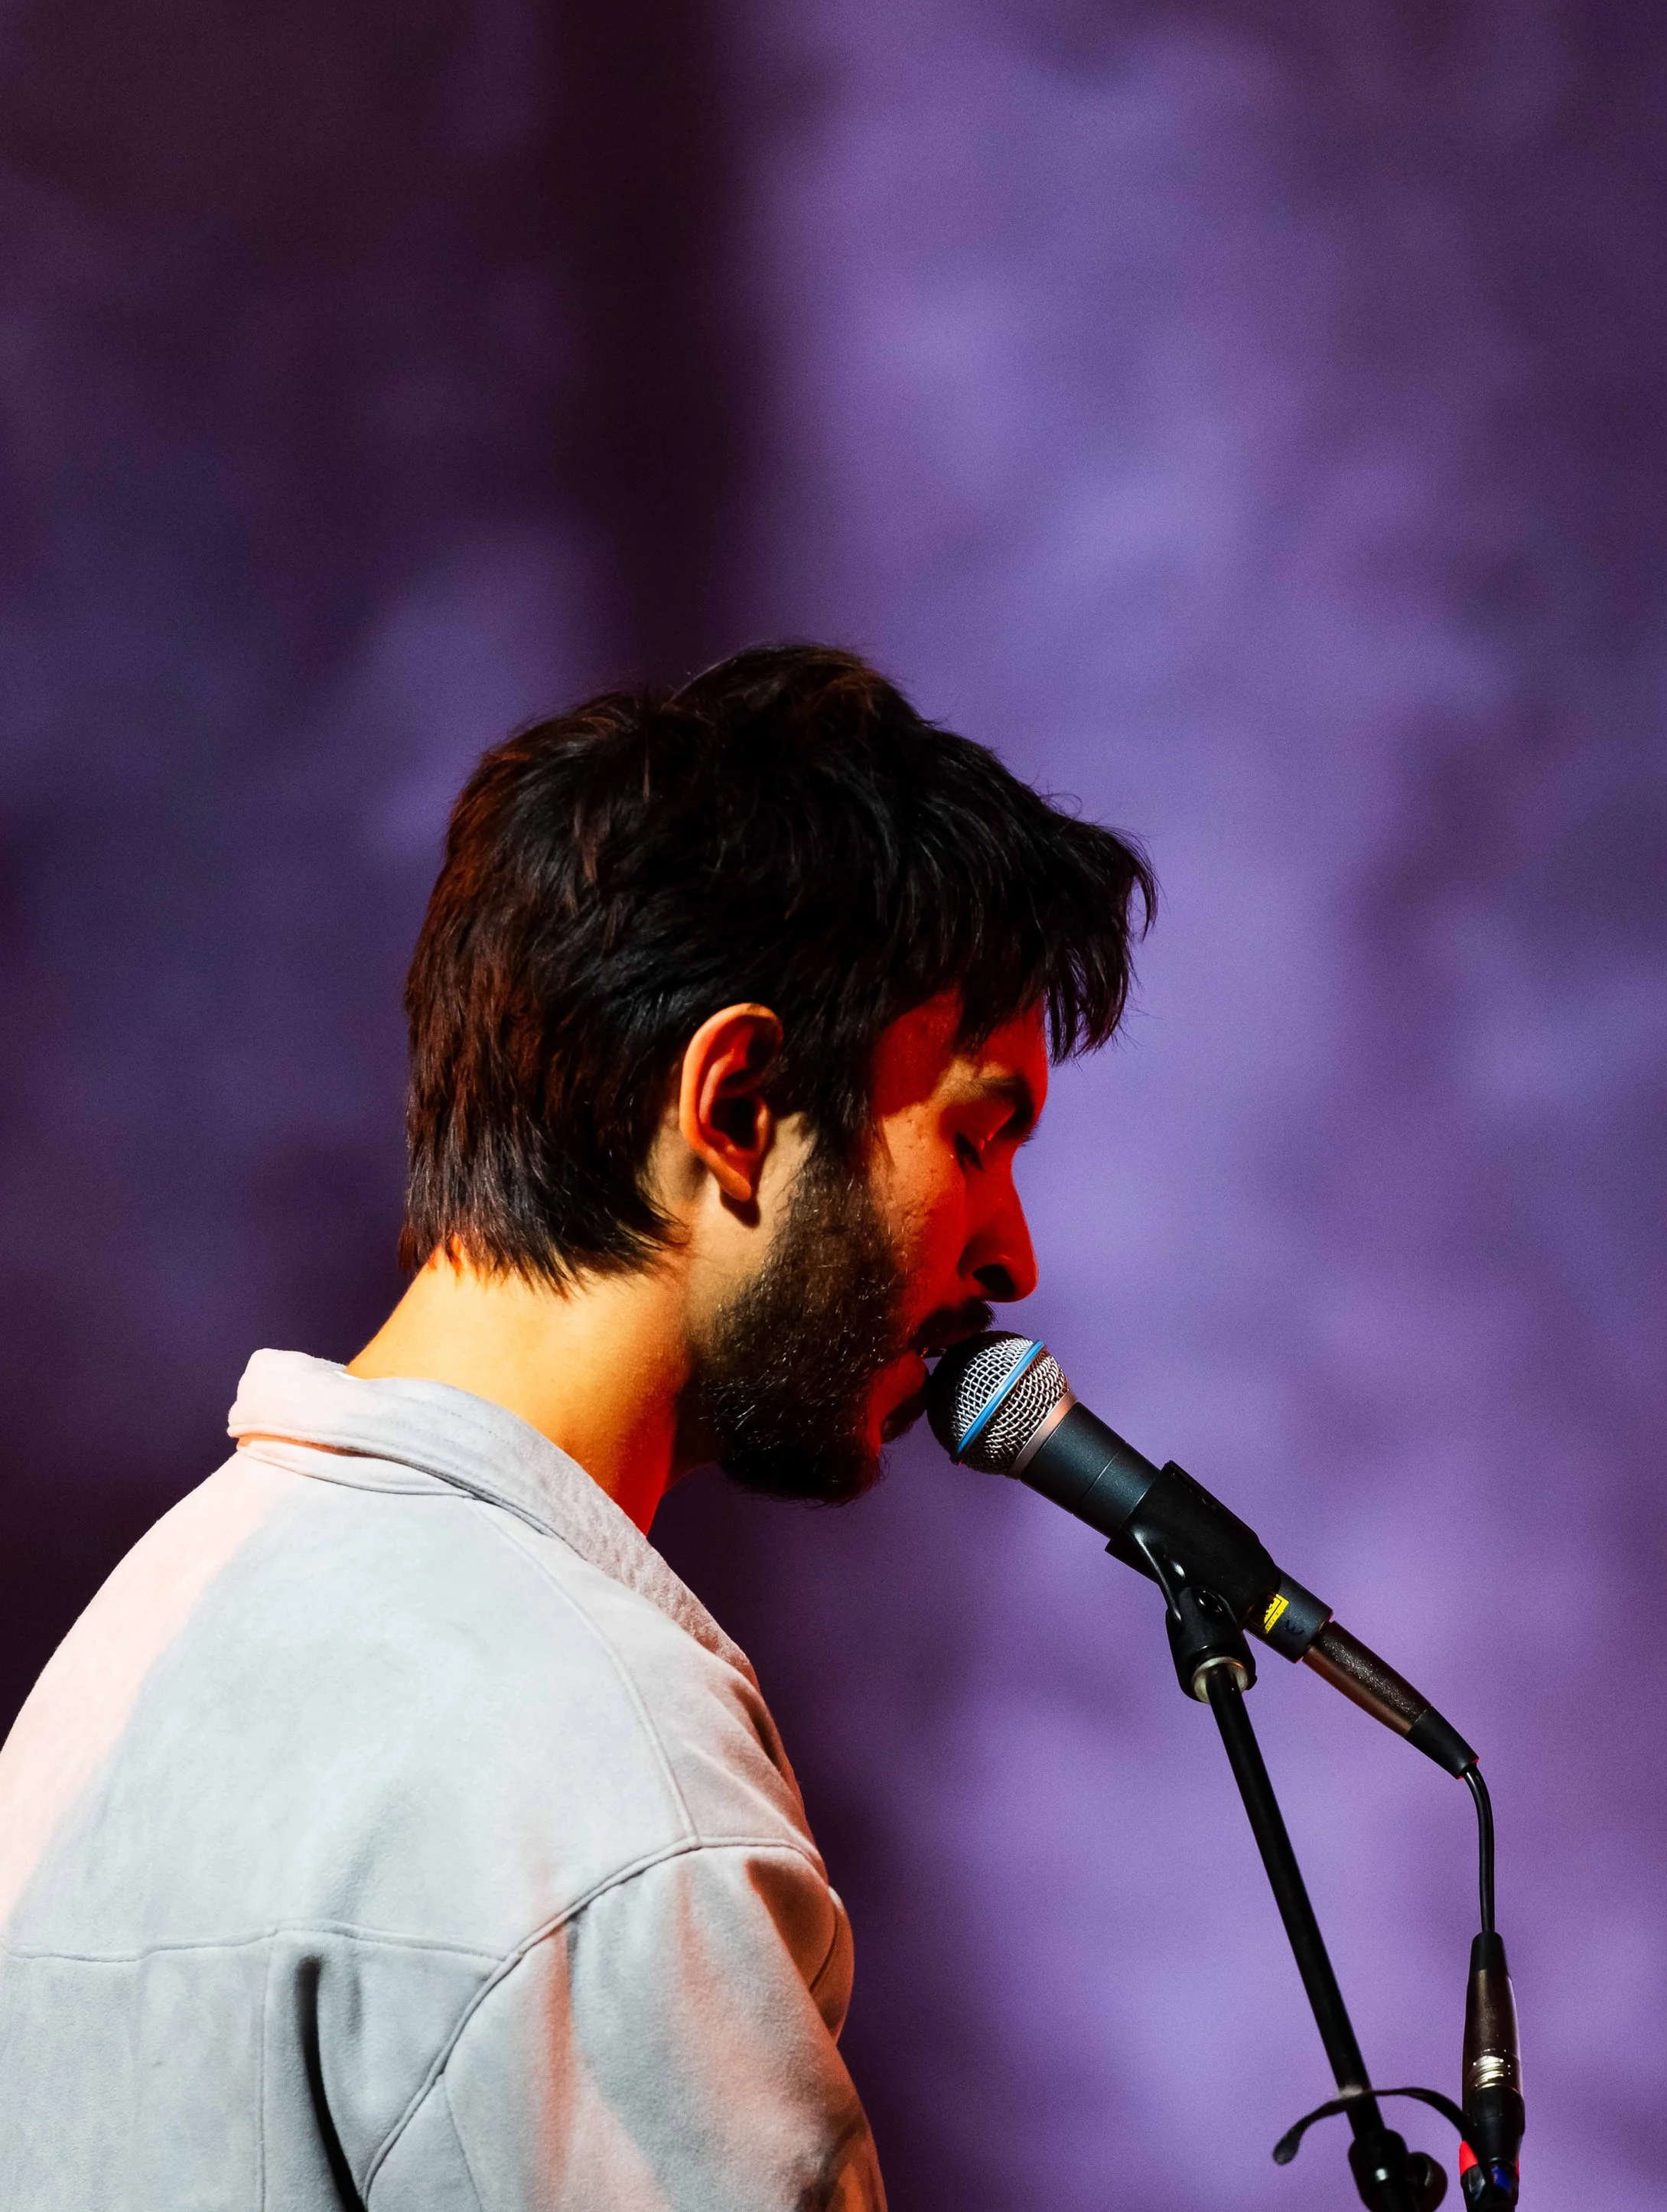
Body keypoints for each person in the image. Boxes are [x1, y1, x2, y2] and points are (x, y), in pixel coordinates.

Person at [0, 646, 1153, 2210]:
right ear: (738, 1104)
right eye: (975, 1127)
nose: (1010, 1250)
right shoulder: (592, 1762)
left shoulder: (137, 1645)